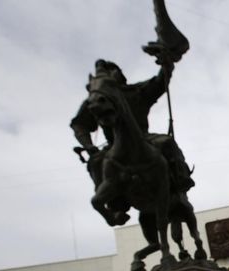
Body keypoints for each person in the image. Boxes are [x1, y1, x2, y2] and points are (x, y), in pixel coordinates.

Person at [70, 59, 195, 194]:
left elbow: (159, 83)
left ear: (118, 74)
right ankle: (111, 201)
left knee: (167, 142)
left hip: (144, 139)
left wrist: (167, 63)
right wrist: (88, 145)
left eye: (110, 71)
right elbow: (79, 124)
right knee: (95, 162)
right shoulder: (95, 100)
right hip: (113, 146)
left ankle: (180, 176)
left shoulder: (136, 91)